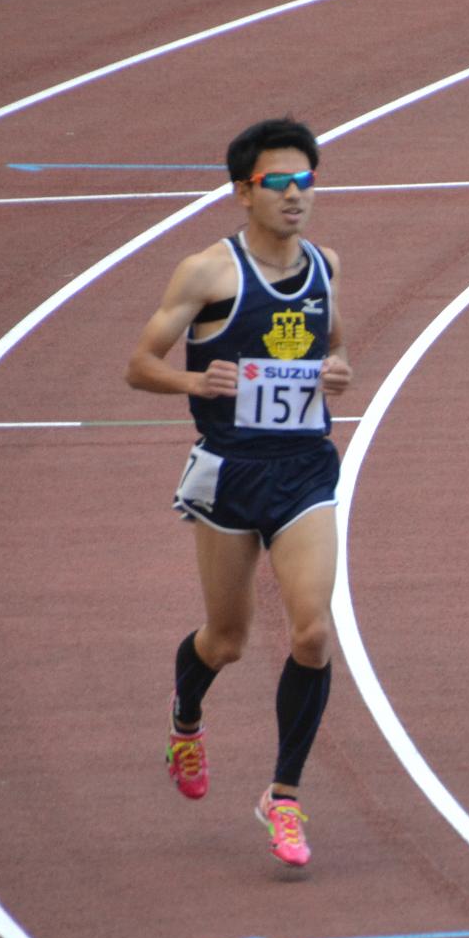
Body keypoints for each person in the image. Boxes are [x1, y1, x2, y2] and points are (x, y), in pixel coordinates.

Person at [126, 117, 351, 868]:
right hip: (228, 471)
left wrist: (336, 372)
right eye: (277, 183)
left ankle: (282, 796)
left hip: (303, 469)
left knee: (314, 631)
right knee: (227, 638)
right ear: (242, 192)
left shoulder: (325, 266)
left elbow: (335, 345)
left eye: (304, 182)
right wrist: (195, 378)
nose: (294, 195)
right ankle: (186, 717)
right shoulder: (207, 272)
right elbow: (139, 363)